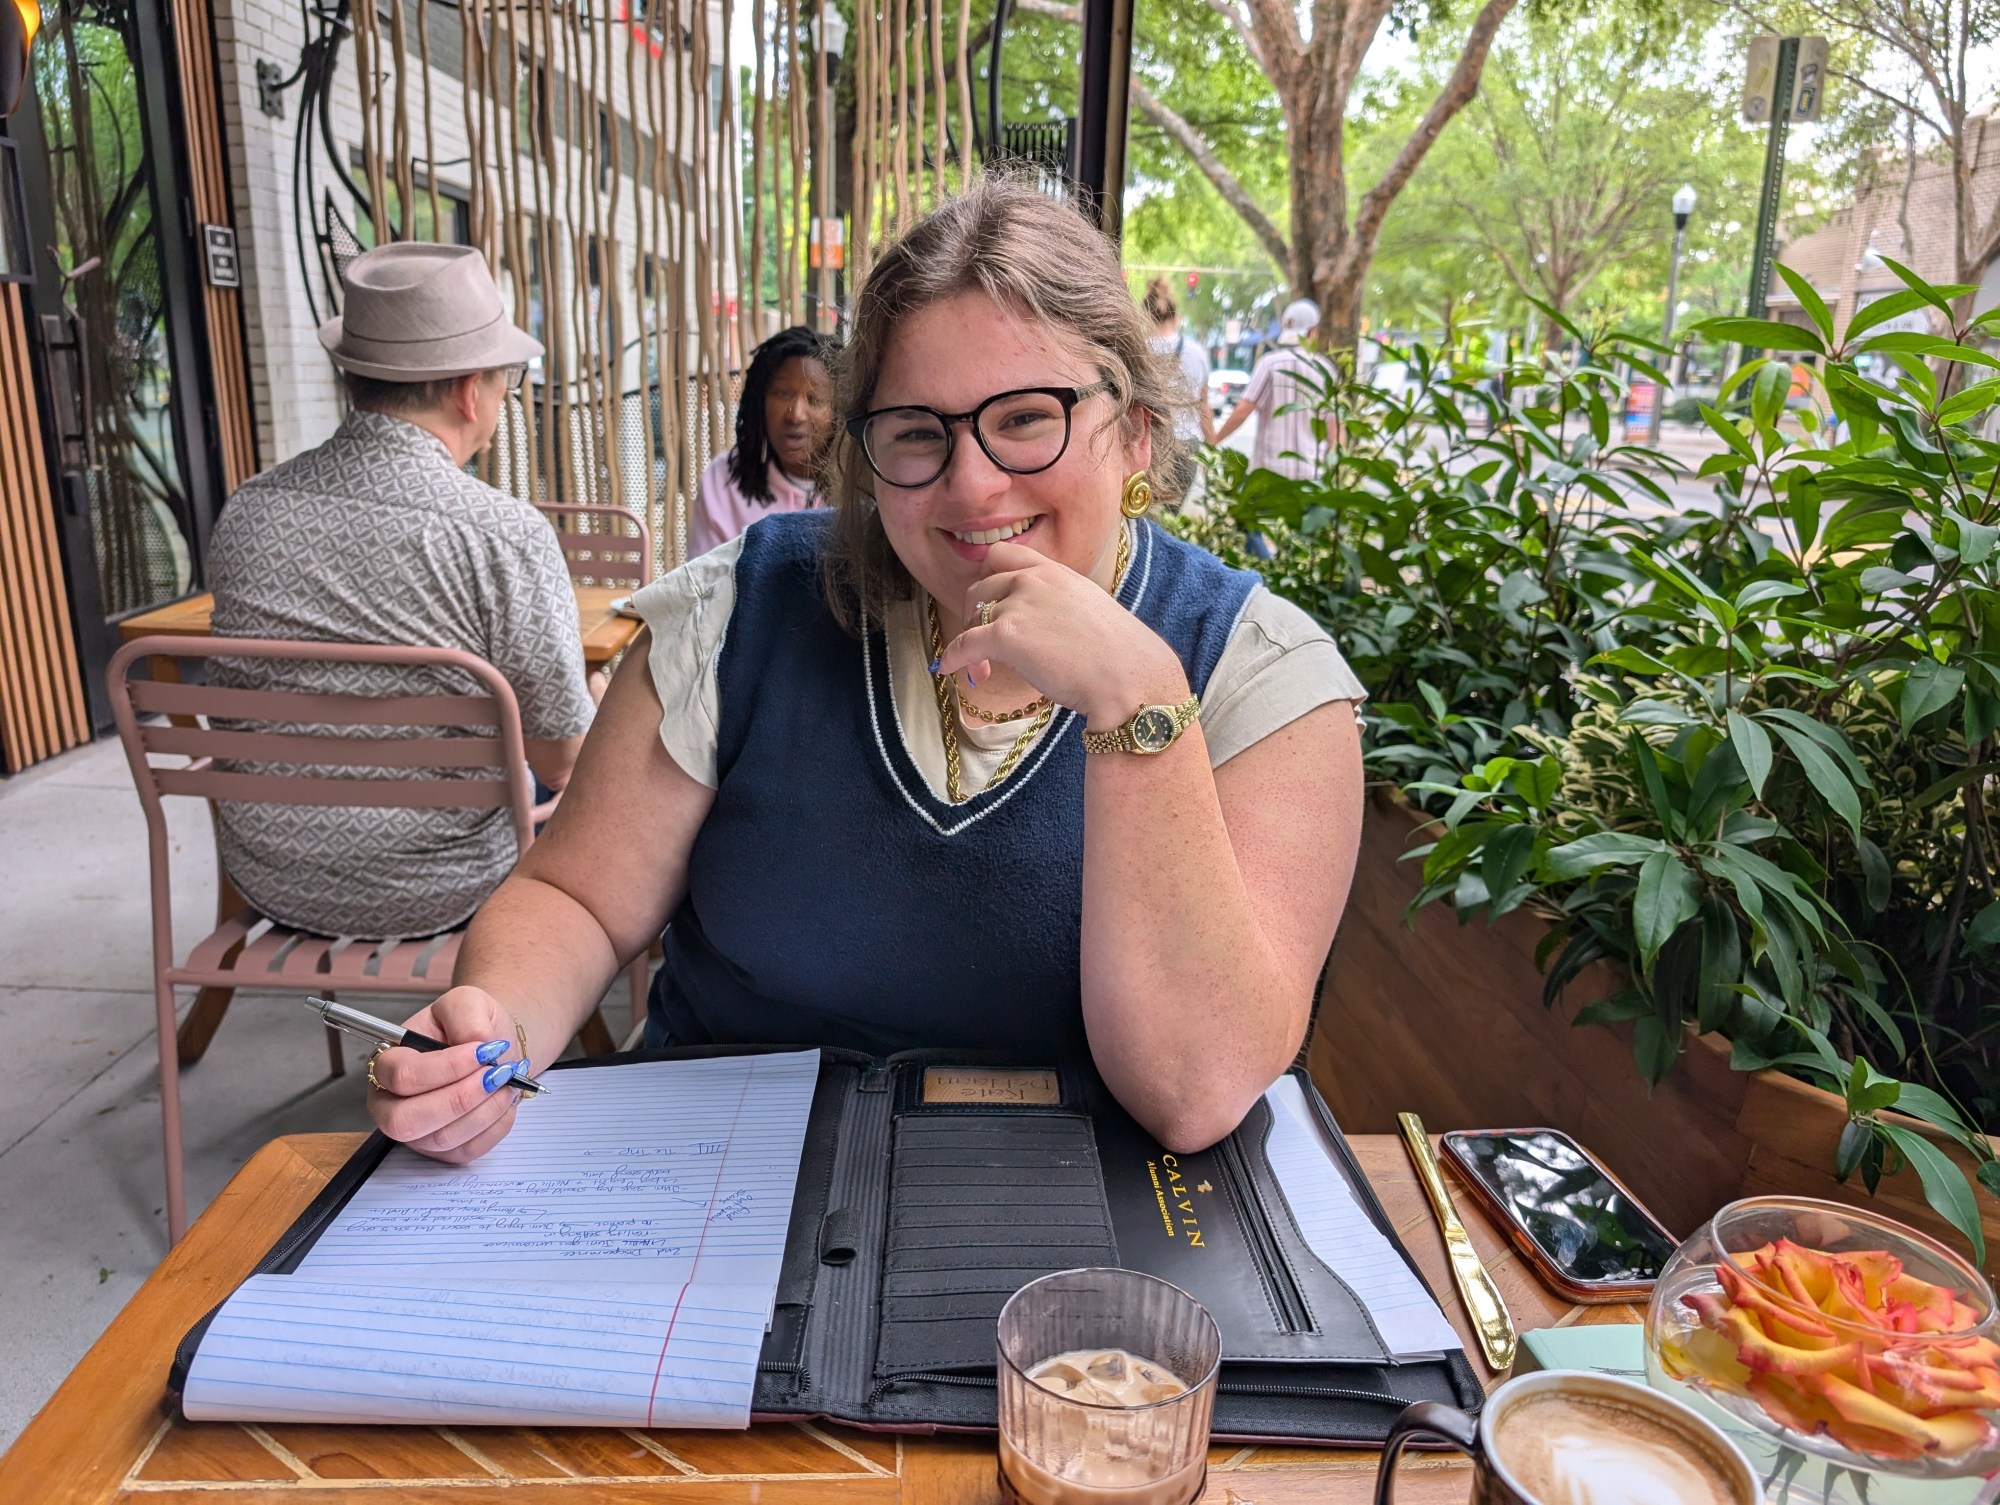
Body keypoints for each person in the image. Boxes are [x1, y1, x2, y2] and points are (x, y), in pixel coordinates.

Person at [365, 179, 1367, 1162]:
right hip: (710, 1188)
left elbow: (1192, 1092)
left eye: (1027, 417)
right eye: (917, 434)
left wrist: (1136, 701)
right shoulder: (738, 612)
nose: (972, 485)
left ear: (1134, 430)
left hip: (1066, 1245)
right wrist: (488, 1033)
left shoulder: (1256, 675)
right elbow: (577, 898)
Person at [208, 242, 598, 939]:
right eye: (505, 376)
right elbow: (561, 762)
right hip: (449, 880)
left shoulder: (248, 510)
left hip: (269, 869)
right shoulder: (503, 533)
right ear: (467, 390)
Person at [689, 325, 837, 557]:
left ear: (840, 411)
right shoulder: (723, 482)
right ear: (760, 402)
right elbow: (703, 585)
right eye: (782, 393)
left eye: (815, 399)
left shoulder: (864, 490)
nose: (796, 414)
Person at [1214, 298, 1330, 478]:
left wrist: (1214, 440)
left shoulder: (1269, 364)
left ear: (1285, 327)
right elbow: (1334, 426)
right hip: (1313, 476)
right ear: (1313, 331)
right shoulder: (1325, 369)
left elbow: (1243, 409)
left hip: (1271, 475)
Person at [1144, 276, 1217, 452]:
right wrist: (1212, 449)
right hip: (1187, 447)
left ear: (1144, 314)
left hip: (1150, 446)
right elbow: (1204, 409)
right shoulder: (1197, 352)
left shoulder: (1138, 349)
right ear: (1175, 315)